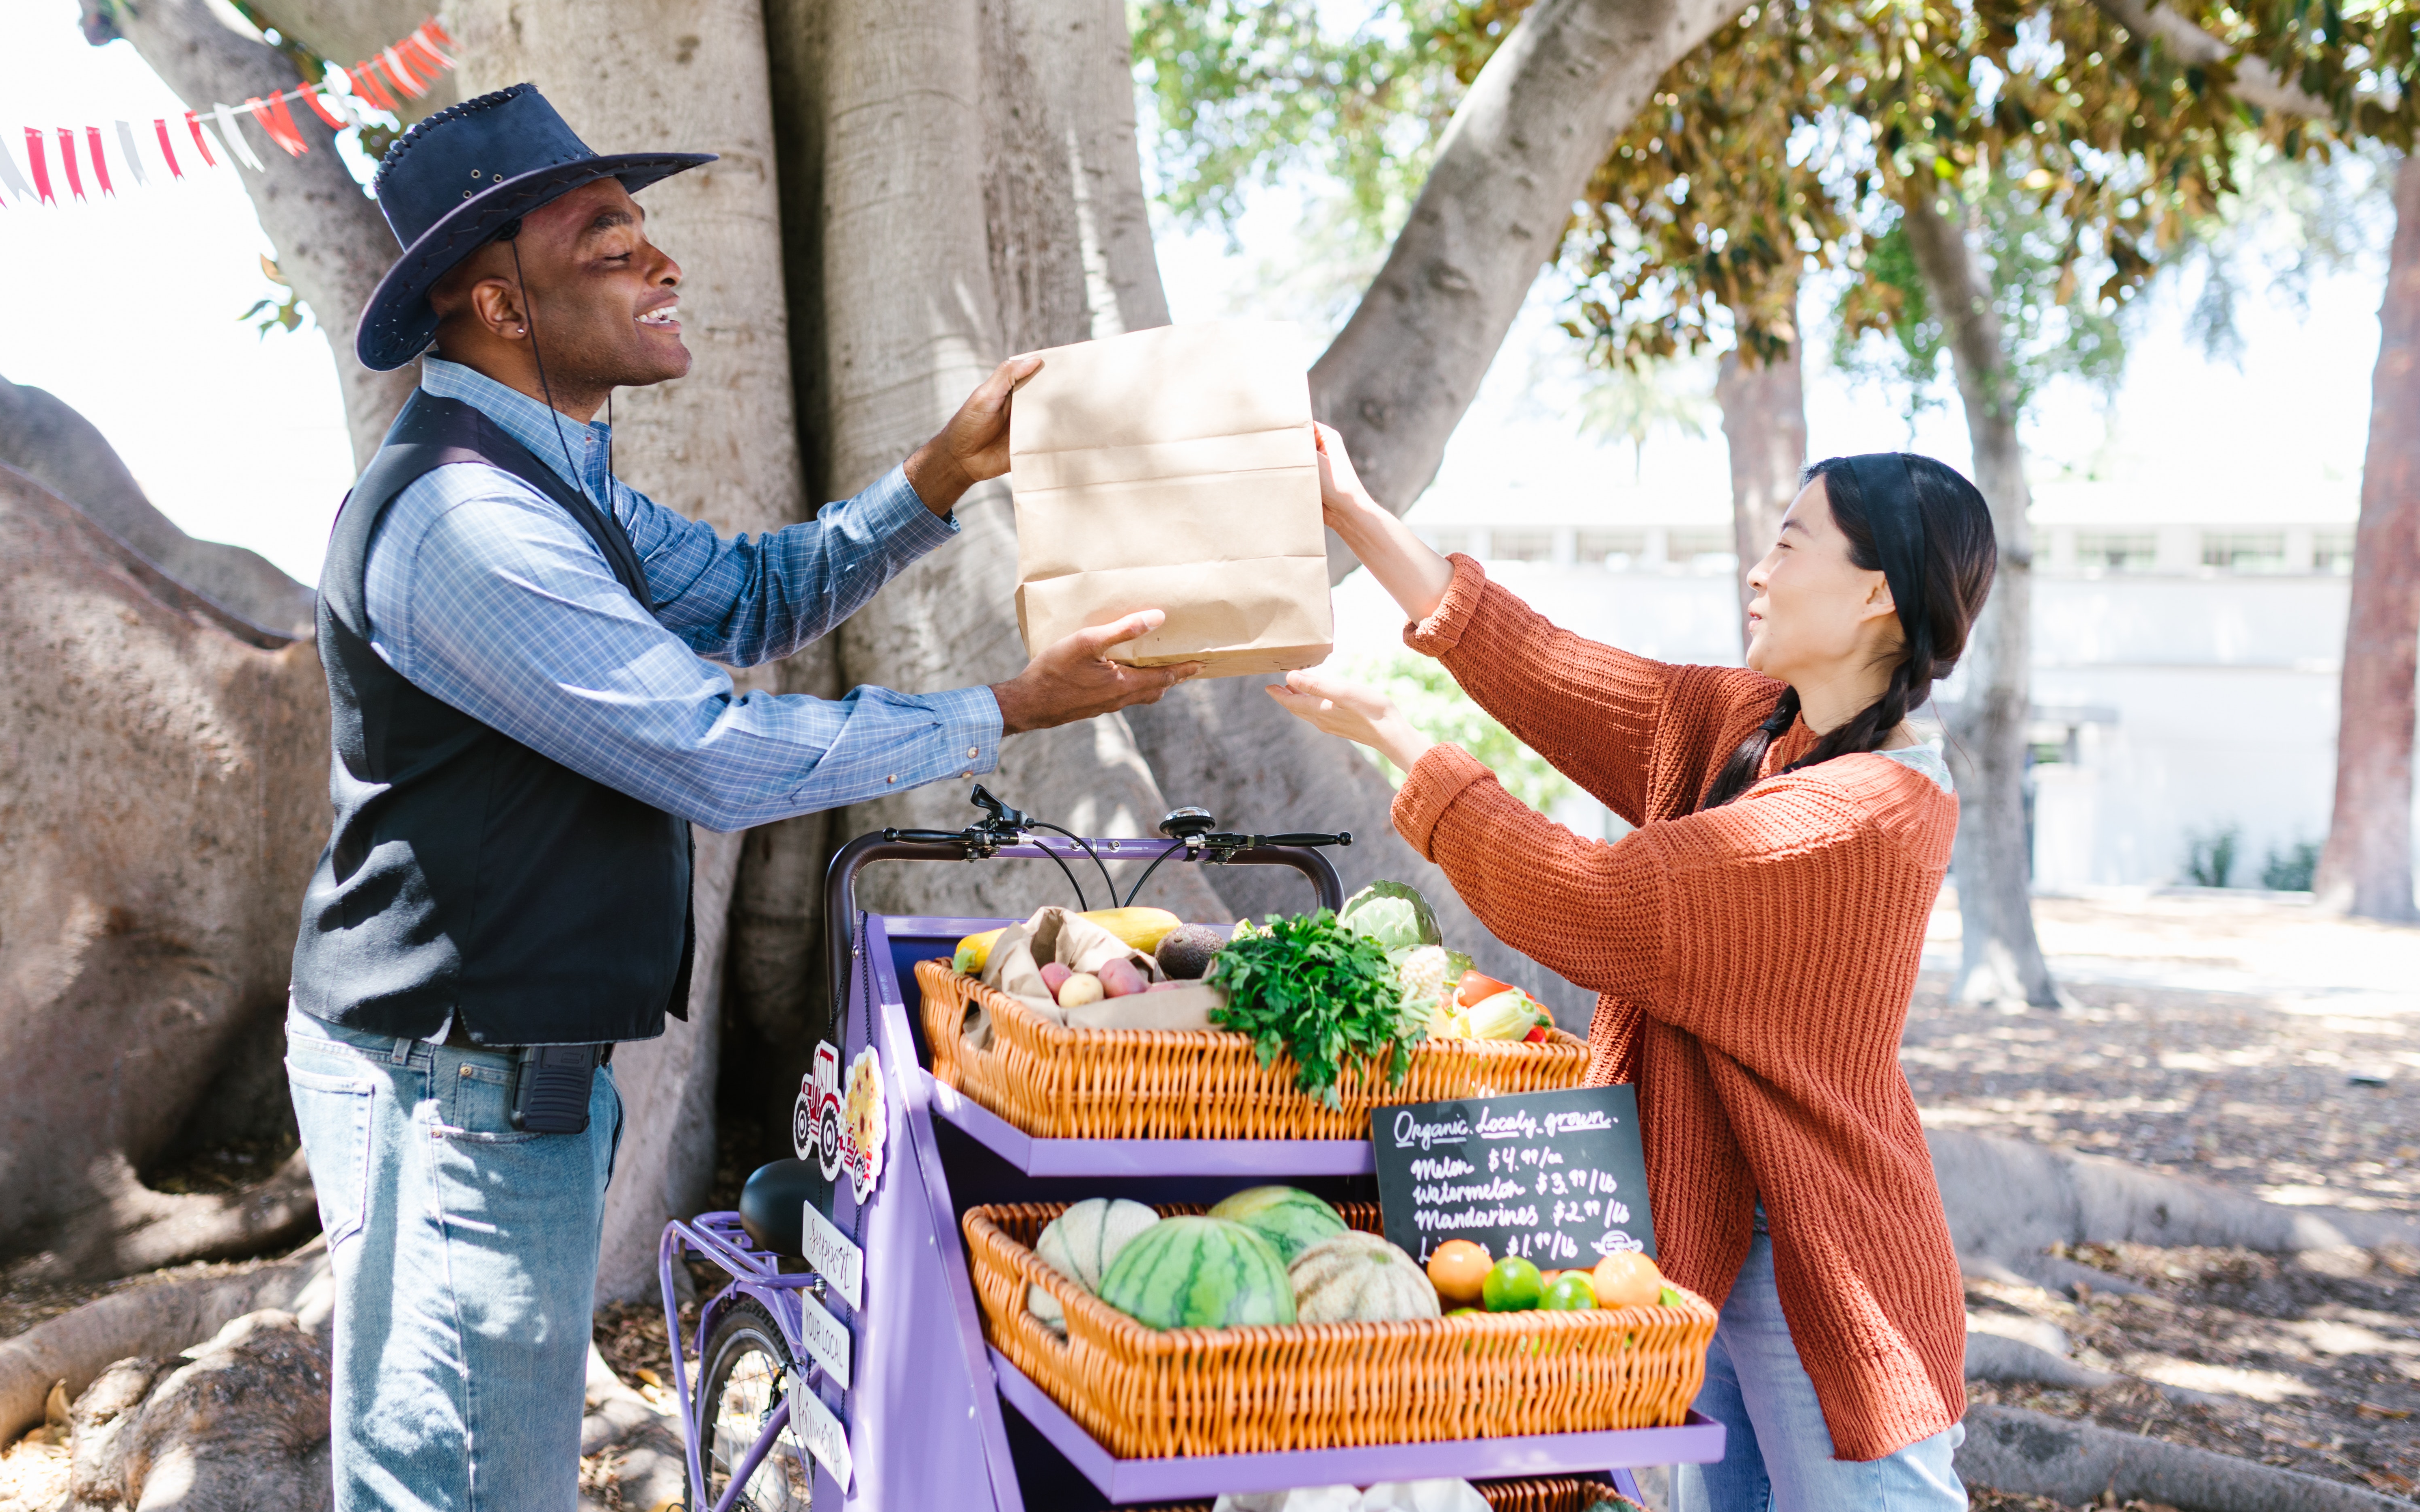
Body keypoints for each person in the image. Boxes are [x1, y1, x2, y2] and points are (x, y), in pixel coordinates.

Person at [285, 84, 1194, 1511]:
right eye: (607, 241)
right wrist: (1007, 708)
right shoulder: (470, 519)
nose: (663, 264)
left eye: (647, 231)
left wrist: (943, 472)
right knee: (462, 1488)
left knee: (478, 1468)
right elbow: (704, 751)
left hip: (499, 1073)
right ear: (497, 305)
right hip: (446, 1082)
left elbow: (754, 594)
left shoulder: (555, 478)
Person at [1272, 425, 1995, 1511]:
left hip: (1825, 1267)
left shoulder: (1865, 815)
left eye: (1792, 546)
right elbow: (1542, 667)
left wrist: (1399, 740)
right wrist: (1351, 509)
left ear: (1875, 598)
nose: (1759, 568)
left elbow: (1598, 904)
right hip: (1706, 1218)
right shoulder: (1752, 725)